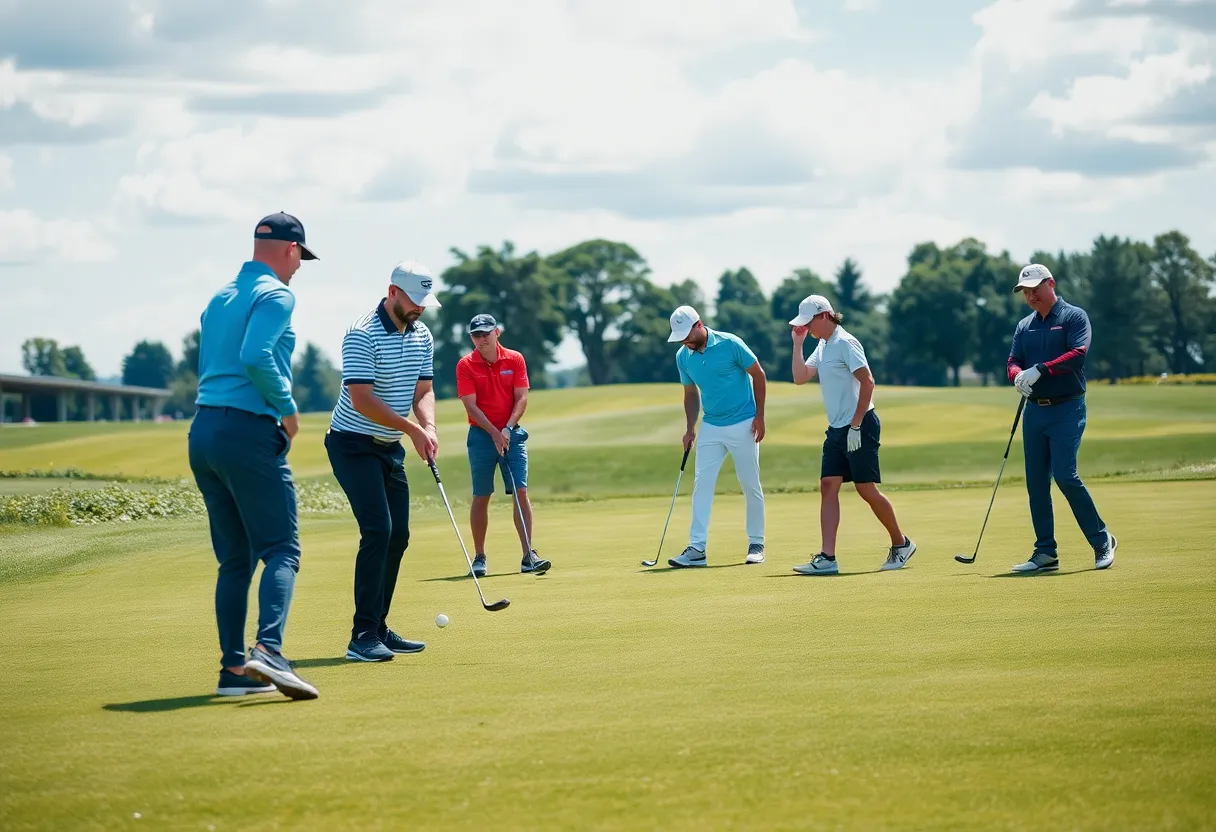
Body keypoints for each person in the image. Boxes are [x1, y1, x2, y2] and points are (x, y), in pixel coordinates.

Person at [189, 212, 320, 700]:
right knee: (281, 549)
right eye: (300, 257)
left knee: (235, 561)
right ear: (290, 250)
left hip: (203, 432)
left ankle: (233, 673)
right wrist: (287, 410)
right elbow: (254, 356)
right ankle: (268, 652)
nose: (299, 267)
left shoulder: (220, 296)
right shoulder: (277, 294)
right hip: (248, 431)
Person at [325, 261, 441, 662]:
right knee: (378, 530)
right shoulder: (362, 334)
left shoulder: (422, 333)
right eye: (414, 300)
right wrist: (412, 431)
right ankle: (361, 635)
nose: (420, 309)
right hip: (351, 444)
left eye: (425, 302)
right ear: (393, 292)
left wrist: (429, 427)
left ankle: (377, 627)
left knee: (399, 535)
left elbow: (423, 389)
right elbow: (362, 399)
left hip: (388, 446)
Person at [788, 294, 916, 575]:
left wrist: (856, 425)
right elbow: (800, 377)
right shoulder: (822, 345)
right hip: (836, 428)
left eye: (809, 323)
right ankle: (827, 557)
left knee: (865, 488)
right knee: (828, 484)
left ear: (824, 316)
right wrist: (797, 343)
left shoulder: (846, 343)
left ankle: (901, 543)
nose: (806, 328)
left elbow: (868, 382)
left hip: (861, 424)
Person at [1006, 264, 1116, 573]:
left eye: (1035, 289)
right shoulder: (1024, 326)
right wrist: (1018, 377)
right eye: (1025, 291)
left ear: (1051, 283)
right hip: (1035, 412)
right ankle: (1045, 553)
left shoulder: (1073, 317)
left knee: (1065, 475)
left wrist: (1040, 369)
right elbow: (1013, 361)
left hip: (1068, 408)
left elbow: (1078, 353)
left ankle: (1101, 538)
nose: (1030, 295)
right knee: (1036, 483)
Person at [665, 305, 767, 567]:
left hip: (744, 422)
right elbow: (690, 393)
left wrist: (760, 416)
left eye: (687, 335)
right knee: (702, 484)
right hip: (711, 424)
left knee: (749, 483)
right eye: (680, 338)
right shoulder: (682, 357)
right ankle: (697, 548)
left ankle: (756, 542)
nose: (684, 341)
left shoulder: (730, 343)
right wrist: (690, 428)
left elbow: (758, 375)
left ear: (699, 325)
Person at [455, 314, 551, 577]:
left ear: (497, 333)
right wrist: (495, 433)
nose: (481, 339)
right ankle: (480, 557)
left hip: (513, 434)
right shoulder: (465, 365)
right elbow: (470, 406)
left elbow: (521, 398)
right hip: (481, 437)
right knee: (482, 495)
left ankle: (528, 555)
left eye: (486, 333)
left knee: (520, 491)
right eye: (476, 335)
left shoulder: (515, 359)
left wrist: (506, 429)